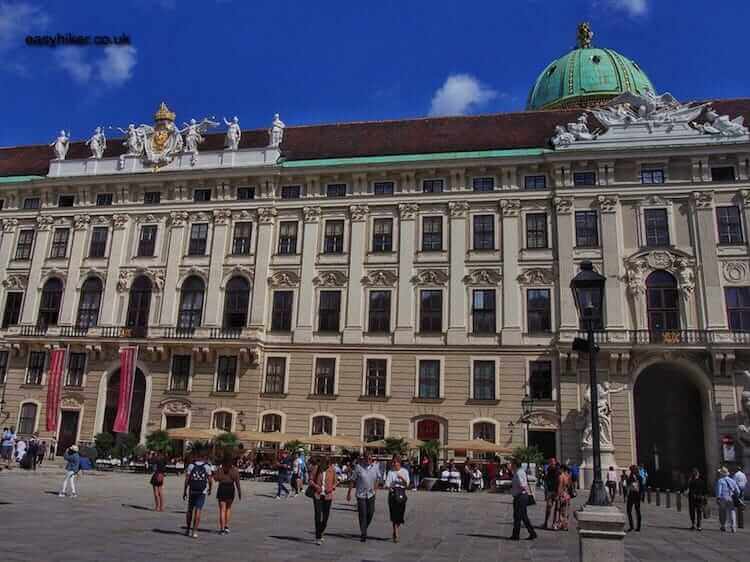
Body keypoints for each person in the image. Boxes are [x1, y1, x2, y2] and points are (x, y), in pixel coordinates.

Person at [346, 452, 381, 542]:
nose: (369, 460)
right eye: (367, 458)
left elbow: (378, 479)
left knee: (371, 512)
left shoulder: (375, 467)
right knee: (363, 514)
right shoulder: (358, 467)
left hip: (371, 494)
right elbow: (352, 480)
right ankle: (363, 533)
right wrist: (349, 493)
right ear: (364, 459)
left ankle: (364, 527)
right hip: (361, 494)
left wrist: (375, 490)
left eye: (370, 459)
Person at [183, 446, 213, 538]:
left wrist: (184, 491)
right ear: (204, 456)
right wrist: (210, 489)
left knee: (190, 510)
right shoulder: (207, 466)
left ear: (196, 455)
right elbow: (210, 480)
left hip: (192, 490)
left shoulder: (191, 466)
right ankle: (194, 531)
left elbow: (187, 479)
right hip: (202, 491)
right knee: (198, 510)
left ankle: (188, 529)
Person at [309, 456, 337, 545]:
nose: (328, 465)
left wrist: (332, 488)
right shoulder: (316, 468)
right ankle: (318, 537)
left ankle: (321, 531)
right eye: (327, 463)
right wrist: (316, 486)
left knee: (325, 517)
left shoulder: (332, 469)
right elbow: (310, 480)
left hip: (328, 496)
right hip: (318, 495)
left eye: (329, 463)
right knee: (317, 516)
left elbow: (335, 481)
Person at [509, 459, 537, 541]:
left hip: (520, 497)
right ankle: (532, 533)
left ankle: (516, 535)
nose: (511, 465)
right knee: (524, 517)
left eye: (512, 464)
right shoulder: (521, 472)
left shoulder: (518, 473)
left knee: (517, 516)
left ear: (515, 465)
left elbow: (522, 485)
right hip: (522, 496)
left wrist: (516, 489)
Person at [214, 453, 242, 535]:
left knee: (222, 509)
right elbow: (237, 482)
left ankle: (222, 529)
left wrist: (220, 476)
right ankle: (226, 526)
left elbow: (215, 478)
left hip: (222, 488)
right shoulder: (234, 470)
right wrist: (239, 492)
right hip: (230, 488)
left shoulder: (220, 469)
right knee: (228, 508)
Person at [384, 454, 410, 543]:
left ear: (399, 462)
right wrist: (391, 485)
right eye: (393, 462)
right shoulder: (390, 472)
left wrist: (401, 478)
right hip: (392, 494)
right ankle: (396, 532)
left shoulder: (405, 471)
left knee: (400, 514)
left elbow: (407, 484)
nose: (394, 464)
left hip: (401, 494)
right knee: (394, 514)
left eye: (396, 462)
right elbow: (387, 484)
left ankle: (396, 529)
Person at [716, 466, 741, 533]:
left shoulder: (720, 480)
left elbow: (719, 491)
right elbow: (738, 491)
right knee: (732, 512)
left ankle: (723, 526)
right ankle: (733, 527)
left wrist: (718, 498)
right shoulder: (732, 480)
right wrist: (735, 496)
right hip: (731, 498)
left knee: (723, 512)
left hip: (723, 498)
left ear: (721, 474)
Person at [553, 465, 573, 531]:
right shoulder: (568, 476)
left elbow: (560, 487)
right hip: (567, 495)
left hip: (562, 495)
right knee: (565, 511)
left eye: (559, 469)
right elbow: (570, 486)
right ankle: (565, 525)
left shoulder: (561, 476)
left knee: (559, 510)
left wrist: (557, 496)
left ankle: (558, 525)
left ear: (562, 469)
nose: (558, 470)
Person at [542, 457, 560, 529]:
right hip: (550, 491)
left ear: (555, 462)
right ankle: (546, 522)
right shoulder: (548, 470)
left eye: (552, 462)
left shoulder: (558, 470)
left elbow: (559, 482)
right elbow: (546, 480)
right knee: (549, 507)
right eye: (550, 462)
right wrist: (546, 493)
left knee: (557, 508)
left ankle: (554, 524)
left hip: (557, 491)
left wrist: (558, 492)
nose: (551, 463)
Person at [625, 464, 643, 532]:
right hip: (635, 495)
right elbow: (641, 487)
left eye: (631, 470)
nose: (630, 471)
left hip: (633, 495)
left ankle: (634, 526)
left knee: (631, 511)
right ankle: (636, 527)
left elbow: (628, 485)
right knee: (635, 511)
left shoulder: (633, 477)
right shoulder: (637, 477)